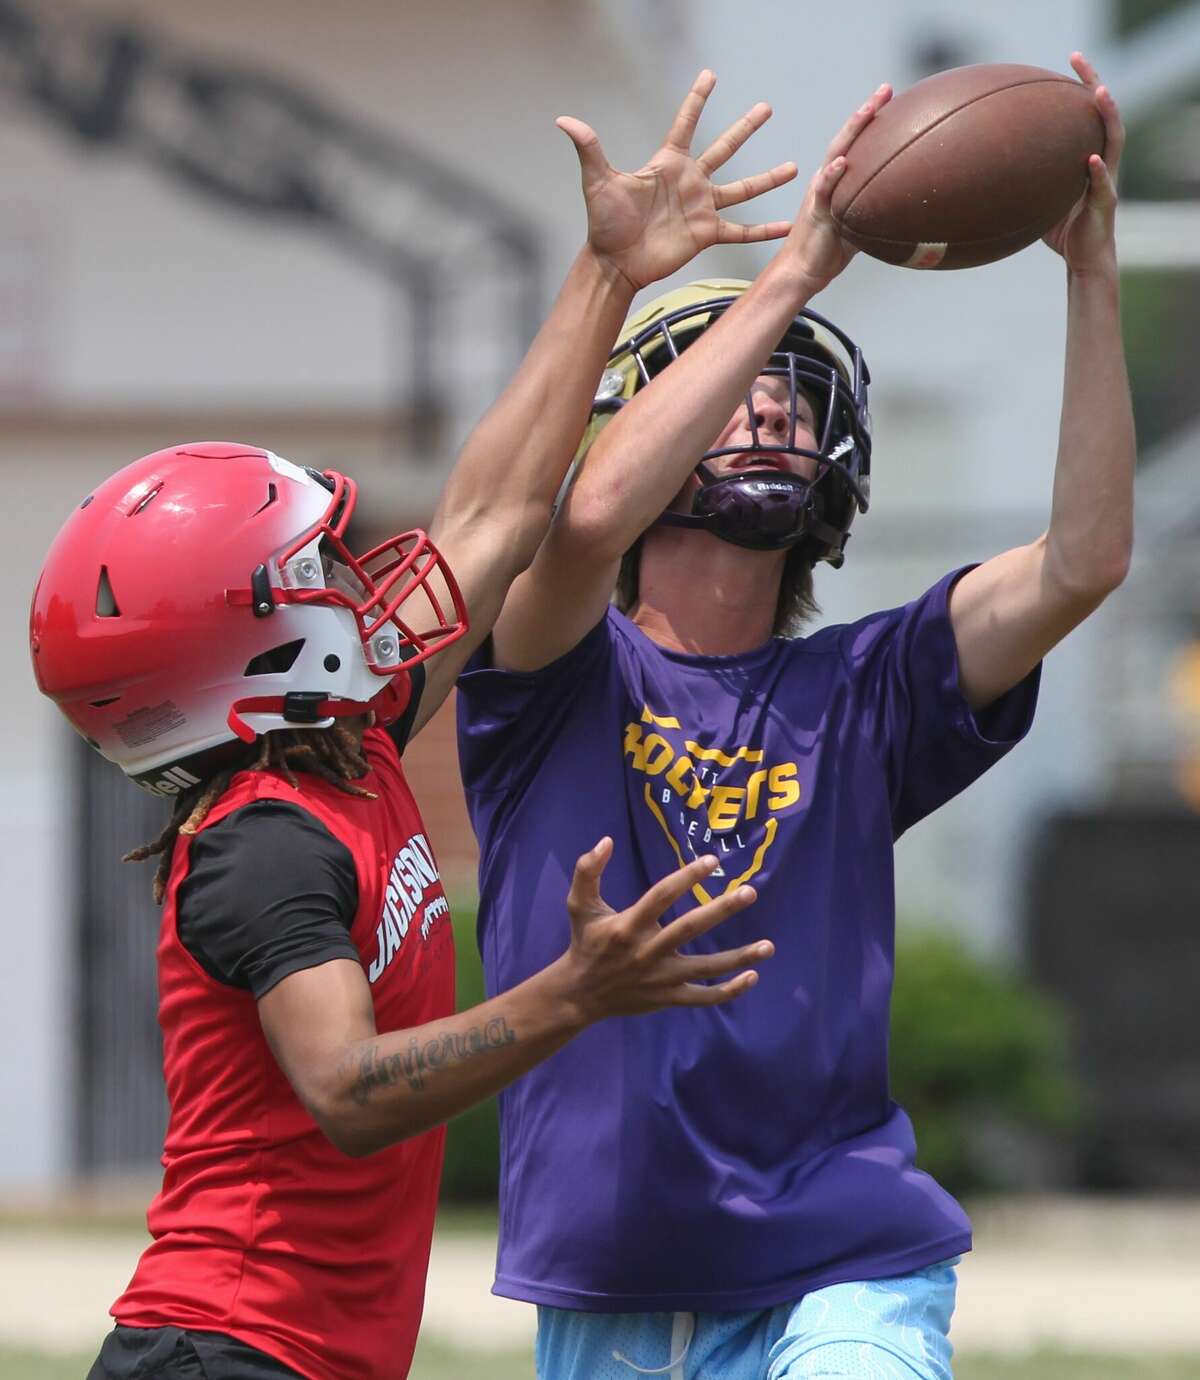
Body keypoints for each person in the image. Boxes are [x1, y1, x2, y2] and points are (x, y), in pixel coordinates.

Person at [29, 72, 794, 1380]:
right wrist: (572, 993)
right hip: (227, 1356)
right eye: (311, 573)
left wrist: (607, 275)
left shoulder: (353, 730)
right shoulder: (263, 842)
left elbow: (494, 517)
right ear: (247, 639)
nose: (352, 579)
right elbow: (347, 1089)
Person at [456, 54, 1131, 1380]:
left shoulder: (869, 687)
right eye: (728, 378)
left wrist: (1088, 277)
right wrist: (797, 272)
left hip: (844, 1254)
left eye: (787, 386)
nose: (765, 397)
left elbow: (1084, 562)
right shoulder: (551, 675)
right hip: (611, 1270)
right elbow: (586, 520)